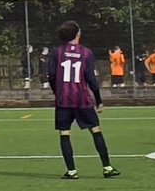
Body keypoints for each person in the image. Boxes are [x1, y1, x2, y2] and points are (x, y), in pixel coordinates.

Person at [45, 20, 120, 180]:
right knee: (95, 130)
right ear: (77, 34)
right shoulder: (86, 53)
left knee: (64, 133)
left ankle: (71, 171)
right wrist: (99, 100)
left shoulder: (56, 52)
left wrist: (56, 92)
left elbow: (51, 76)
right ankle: (107, 167)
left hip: (63, 100)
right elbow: (91, 79)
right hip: (82, 99)